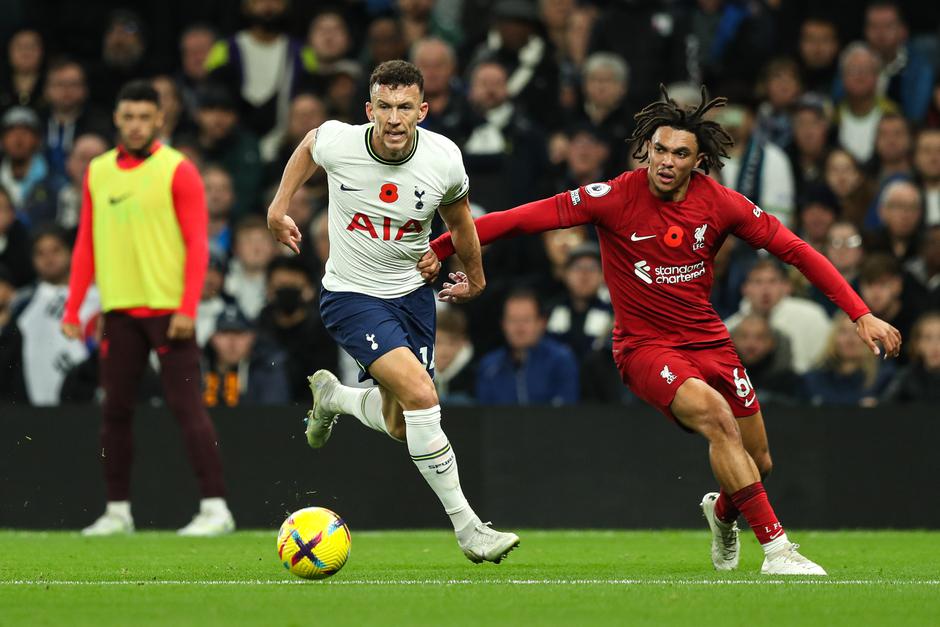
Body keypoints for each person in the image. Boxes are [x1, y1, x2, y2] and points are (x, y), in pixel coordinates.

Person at [424, 85, 901, 575]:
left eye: (680, 153)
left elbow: (796, 250)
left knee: (758, 462)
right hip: (644, 347)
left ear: (698, 162)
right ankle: (778, 551)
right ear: (645, 149)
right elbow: (520, 218)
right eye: (659, 150)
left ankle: (722, 515)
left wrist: (860, 312)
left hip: (711, 341)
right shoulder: (613, 196)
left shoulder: (720, 204)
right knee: (718, 419)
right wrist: (441, 247)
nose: (666, 161)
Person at [266, 60, 519, 563]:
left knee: (402, 422)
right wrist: (279, 206)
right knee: (424, 394)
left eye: (405, 107)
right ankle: (470, 530)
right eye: (384, 106)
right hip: (351, 297)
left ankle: (336, 399)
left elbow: (460, 219)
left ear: (422, 111)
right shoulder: (342, 142)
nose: (395, 118)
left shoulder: (443, 158)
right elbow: (309, 143)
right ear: (369, 109)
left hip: (412, 297)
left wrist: (475, 273)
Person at [61, 81, 234, 537]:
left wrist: (187, 307)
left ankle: (215, 507)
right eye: (128, 116)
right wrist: (74, 308)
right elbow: (85, 244)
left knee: (187, 407)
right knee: (114, 411)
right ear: (117, 120)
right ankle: (118, 512)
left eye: (144, 116)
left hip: (167, 311)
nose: (136, 124)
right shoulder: (97, 171)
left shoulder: (179, 170)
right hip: (119, 310)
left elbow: (199, 244)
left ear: (160, 119)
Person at [476, 287, 580, 405]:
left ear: (542, 323)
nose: (519, 328)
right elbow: (485, 416)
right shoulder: (489, 366)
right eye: (513, 320)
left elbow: (567, 412)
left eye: (526, 320)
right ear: (503, 324)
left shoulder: (561, 360)